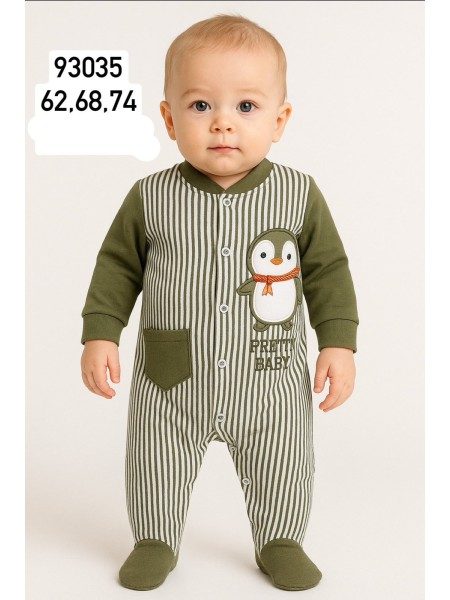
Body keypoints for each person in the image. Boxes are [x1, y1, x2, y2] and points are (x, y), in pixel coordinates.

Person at [80, 13, 359, 592]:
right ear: (169, 118)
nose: (222, 123)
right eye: (201, 105)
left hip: (269, 374)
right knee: (155, 459)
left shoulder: (298, 194)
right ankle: (155, 539)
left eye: (246, 107)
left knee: (282, 459)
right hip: (172, 378)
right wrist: (101, 332)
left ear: (280, 120)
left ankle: (280, 539)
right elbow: (117, 267)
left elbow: (328, 271)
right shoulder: (151, 197)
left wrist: (338, 342)